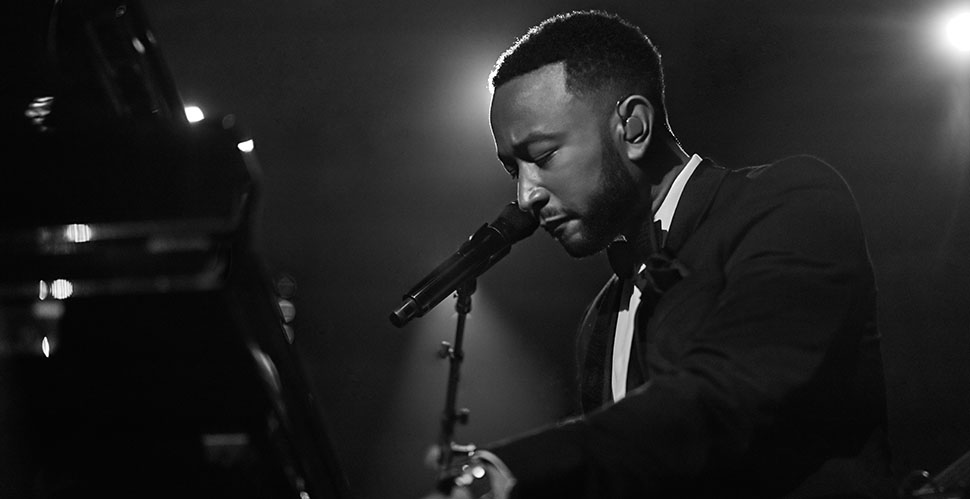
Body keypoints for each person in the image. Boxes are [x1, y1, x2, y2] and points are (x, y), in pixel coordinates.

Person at [424, 9, 895, 499]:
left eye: (542, 156)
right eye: (512, 170)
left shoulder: (790, 201)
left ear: (634, 127)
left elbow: (724, 395)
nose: (526, 196)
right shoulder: (602, 315)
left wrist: (508, 469)